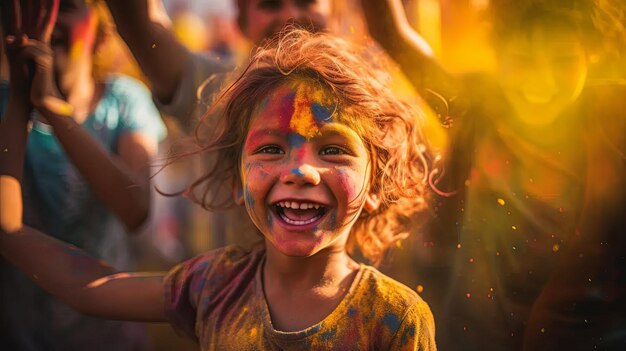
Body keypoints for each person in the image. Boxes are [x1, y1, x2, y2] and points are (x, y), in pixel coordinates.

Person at [0, 27, 438, 350]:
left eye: (334, 150)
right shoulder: (214, 287)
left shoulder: (394, 320)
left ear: (377, 182)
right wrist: (28, 101)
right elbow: (84, 286)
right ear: (235, 179)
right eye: (270, 148)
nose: (301, 171)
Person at [361, 0, 626, 350]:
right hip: (475, 337)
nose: (541, 81)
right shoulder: (477, 108)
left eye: (562, 61)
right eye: (523, 60)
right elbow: (393, 35)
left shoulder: (614, 128)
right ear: (498, 55)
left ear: (588, 58)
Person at [0, 1, 166, 350]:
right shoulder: (4, 109)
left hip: (112, 335)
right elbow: (4, 224)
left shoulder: (124, 102)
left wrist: (50, 106)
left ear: (102, 30)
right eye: (31, 6)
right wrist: (20, 100)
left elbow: (136, 209)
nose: (45, 21)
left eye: (66, 6)